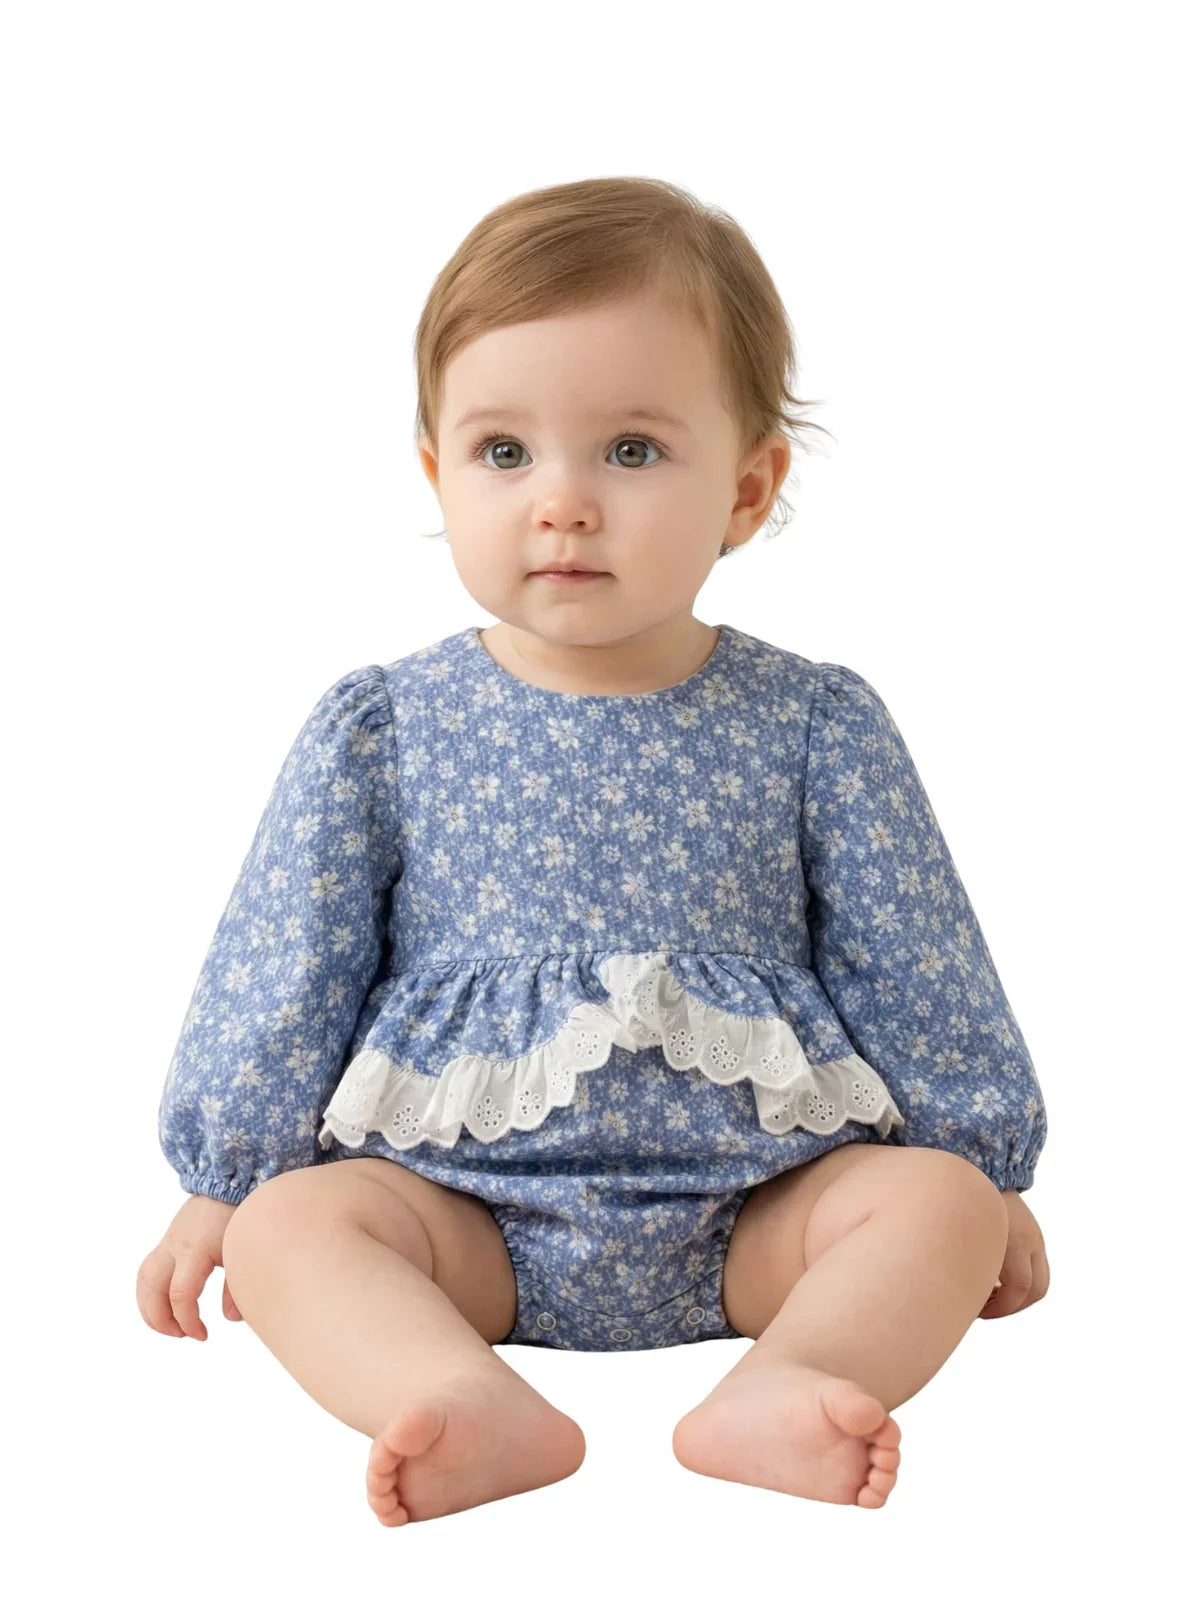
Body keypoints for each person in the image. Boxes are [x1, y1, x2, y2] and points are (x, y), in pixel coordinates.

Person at [136, 175, 1050, 1524]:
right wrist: (226, 1180)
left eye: (630, 450)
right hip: (460, 1214)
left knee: (935, 1205)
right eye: (506, 452)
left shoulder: (812, 723)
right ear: (438, 472)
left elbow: (917, 957)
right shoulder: (387, 727)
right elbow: (286, 962)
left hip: (761, 1211)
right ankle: (451, 1392)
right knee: (292, 1230)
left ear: (747, 488)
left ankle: (791, 1379)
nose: (562, 502)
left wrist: (985, 1164)